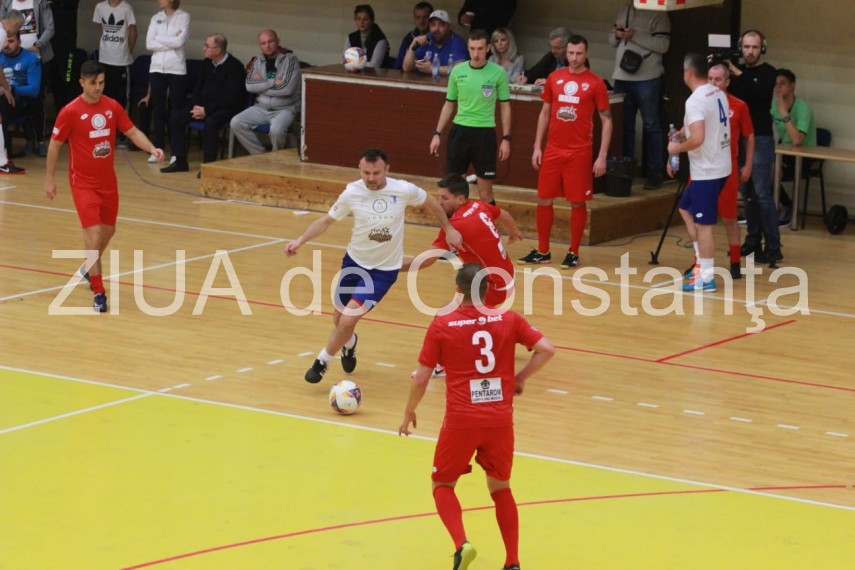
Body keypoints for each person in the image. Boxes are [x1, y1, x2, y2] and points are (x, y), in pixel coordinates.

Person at [398, 262, 555, 570]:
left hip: (461, 420)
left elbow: (421, 378)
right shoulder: (509, 319)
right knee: (501, 488)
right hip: (500, 420)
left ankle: (462, 544)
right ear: (487, 289)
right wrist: (520, 378)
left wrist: (409, 411)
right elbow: (547, 349)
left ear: (458, 290)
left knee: (442, 484)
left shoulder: (442, 323)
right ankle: (512, 562)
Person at [284, 148, 463, 384]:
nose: (370, 178)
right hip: (353, 263)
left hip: (382, 272)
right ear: (360, 169)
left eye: (376, 173)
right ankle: (349, 344)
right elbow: (325, 221)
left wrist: (448, 228)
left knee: (348, 320)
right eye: (366, 173)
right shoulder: (352, 192)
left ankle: (321, 362)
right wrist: (300, 240)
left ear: (387, 169)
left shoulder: (403, 190)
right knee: (338, 320)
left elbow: (431, 203)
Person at [43, 60, 164, 312]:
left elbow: (132, 132)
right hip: (82, 184)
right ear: (82, 83)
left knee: (108, 232)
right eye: (93, 83)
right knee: (94, 235)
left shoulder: (112, 106)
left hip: (108, 183)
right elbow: (55, 145)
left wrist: (151, 148)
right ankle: (99, 292)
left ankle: (89, 267)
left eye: (101, 82)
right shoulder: (70, 111)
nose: (98, 87)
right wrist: (49, 178)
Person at [519, 34, 612, 270]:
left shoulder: (596, 83)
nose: (574, 57)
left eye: (579, 53)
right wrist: (537, 146)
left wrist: (602, 155)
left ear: (586, 54)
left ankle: (573, 252)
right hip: (553, 149)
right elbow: (544, 113)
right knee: (543, 198)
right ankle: (543, 251)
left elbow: (607, 120)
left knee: (577, 202)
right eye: (571, 53)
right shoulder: (555, 78)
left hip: (579, 152)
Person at [402, 172, 522, 309]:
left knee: (447, 313)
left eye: (445, 198)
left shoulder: (456, 225)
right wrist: (514, 232)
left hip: (494, 286)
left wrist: (395, 269)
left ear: (460, 199)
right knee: (459, 309)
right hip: (506, 277)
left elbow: (428, 259)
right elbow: (504, 214)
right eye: (439, 197)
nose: (439, 202)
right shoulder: (478, 205)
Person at [684, 63, 754, 280]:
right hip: (702, 166)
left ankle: (735, 261)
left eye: (718, 79)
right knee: (691, 212)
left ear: (727, 82)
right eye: (710, 79)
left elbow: (749, 136)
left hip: (725, 166)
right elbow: (688, 129)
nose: (713, 83)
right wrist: (674, 152)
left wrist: (748, 164)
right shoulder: (700, 100)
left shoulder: (738, 105)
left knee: (729, 216)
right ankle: (699, 261)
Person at [668, 53, 731, 292]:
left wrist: (676, 148)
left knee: (704, 224)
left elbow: (698, 138)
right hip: (721, 165)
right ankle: (700, 264)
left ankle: (706, 277)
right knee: (685, 207)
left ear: (688, 72)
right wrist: (683, 132)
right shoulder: (717, 93)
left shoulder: (695, 100)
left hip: (708, 169)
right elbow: (704, 123)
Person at [430, 29, 510, 204]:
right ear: (467, 47)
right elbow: (449, 104)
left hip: (485, 135)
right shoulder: (457, 71)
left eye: (480, 49)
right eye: (472, 48)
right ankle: (455, 222)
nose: (476, 54)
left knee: (485, 193)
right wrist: (437, 133)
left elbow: (505, 107)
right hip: (459, 132)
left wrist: (506, 138)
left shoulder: (498, 73)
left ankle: (488, 222)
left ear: (487, 48)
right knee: (453, 190)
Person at [726, 29, 780, 265]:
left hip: (761, 137)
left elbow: (758, 93)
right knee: (747, 194)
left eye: (754, 47)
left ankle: (774, 246)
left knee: (762, 194)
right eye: (746, 47)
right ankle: (752, 240)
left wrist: (736, 71)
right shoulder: (735, 74)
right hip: (739, 137)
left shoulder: (768, 72)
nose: (749, 52)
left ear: (762, 49)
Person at [160, 33, 245, 174]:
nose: (203, 48)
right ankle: (180, 161)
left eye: (207, 46)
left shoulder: (235, 67)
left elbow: (230, 98)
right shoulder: (206, 63)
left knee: (211, 123)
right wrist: (196, 106)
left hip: (225, 108)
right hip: (203, 106)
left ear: (217, 50)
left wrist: (207, 110)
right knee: (176, 116)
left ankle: (208, 166)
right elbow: (198, 87)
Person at [609, 0, 671, 189]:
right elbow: (611, 41)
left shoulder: (659, 13)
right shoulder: (624, 10)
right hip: (621, 75)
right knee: (624, 126)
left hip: (648, 77)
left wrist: (634, 35)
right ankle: (624, 171)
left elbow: (663, 45)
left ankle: (655, 173)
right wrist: (617, 35)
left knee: (651, 125)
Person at [230, 29, 301, 155]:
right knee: (236, 122)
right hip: (261, 108)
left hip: (284, 109)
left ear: (278, 41)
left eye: (270, 41)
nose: (267, 45)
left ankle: (275, 157)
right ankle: (260, 155)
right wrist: (273, 82)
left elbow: (287, 89)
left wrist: (261, 85)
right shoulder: (257, 60)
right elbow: (249, 86)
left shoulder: (291, 60)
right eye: (263, 43)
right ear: (260, 45)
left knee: (276, 131)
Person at [0, 0, 54, 157]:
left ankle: (39, 141)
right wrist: (5, 89)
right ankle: (7, 153)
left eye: (11, 39)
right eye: (17, 28)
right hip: (6, 91)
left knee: (37, 101)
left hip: (33, 58)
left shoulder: (40, 3)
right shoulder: (5, 12)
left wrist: (9, 89)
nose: (7, 42)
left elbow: (50, 28)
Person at [771, 68, 816, 225]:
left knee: (771, 171)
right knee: (758, 167)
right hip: (783, 151)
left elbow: (797, 140)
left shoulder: (803, 108)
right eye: (776, 84)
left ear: (792, 86)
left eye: (782, 83)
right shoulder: (774, 105)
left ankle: (786, 207)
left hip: (803, 154)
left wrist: (784, 113)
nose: (778, 88)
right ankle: (764, 209)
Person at [146, 0, 189, 164]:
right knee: (158, 110)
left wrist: (159, 39)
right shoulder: (155, 17)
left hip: (176, 69)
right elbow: (149, 44)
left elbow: (180, 42)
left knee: (176, 112)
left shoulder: (184, 16)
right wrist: (170, 39)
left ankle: (177, 153)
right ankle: (157, 150)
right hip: (156, 68)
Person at [0, 27, 40, 166]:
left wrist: (11, 89)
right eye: (5, 41)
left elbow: (34, 90)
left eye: (11, 41)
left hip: (19, 102)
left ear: (19, 42)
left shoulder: (31, 58)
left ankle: (3, 154)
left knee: (2, 101)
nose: (6, 45)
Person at [92, 1, 136, 115]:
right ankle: (107, 122)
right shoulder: (100, 7)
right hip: (104, 59)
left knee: (122, 97)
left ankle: (122, 124)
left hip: (121, 61)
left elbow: (133, 32)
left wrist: (128, 51)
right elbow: (101, 28)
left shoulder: (126, 8)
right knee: (105, 95)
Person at [402, 9, 468, 76]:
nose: (436, 29)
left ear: (449, 27)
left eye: (441, 24)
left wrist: (432, 69)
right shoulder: (426, 40)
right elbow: (407, 68)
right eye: (433, 25)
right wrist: (413, 46)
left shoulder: (457, 42)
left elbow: (461, 69)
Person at [44, 0, 80, 111]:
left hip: (66, 41)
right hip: (49, 40)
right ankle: (60, 113)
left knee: (68, 79)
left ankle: (72, 113)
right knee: (54, 78)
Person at [343, 4, 389, 69]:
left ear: (372, 21)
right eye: (359, 19)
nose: (362, 22)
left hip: (376, 74)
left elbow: (374, 65)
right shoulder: (350, 38)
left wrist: (353, 63)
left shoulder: (380, 40)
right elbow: (345, 61)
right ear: (355, 21)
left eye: (366, 19)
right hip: (354, 73)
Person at [392, 1, 432, 71]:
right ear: (414, 18)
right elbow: (398, 65)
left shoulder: (439, 37)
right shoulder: (409, 38)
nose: (421, 21)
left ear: (431, 18)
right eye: (418, 17)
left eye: (425, 17)